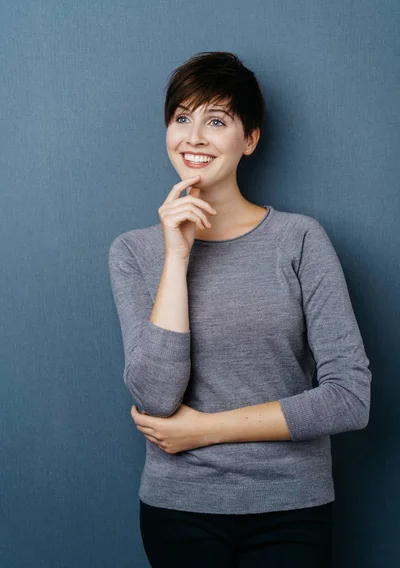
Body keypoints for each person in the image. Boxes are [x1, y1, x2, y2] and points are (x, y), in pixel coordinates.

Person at [108, 51, 372, 567]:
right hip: (179, 509)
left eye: (217, 120)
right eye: (182, 117)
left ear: (249, 139)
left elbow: (349, 398)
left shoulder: (299, 240)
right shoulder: (135, 252)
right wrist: (177, 256)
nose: (194, 136)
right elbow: (157, 399)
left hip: (292, 507)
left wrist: (207, 429)